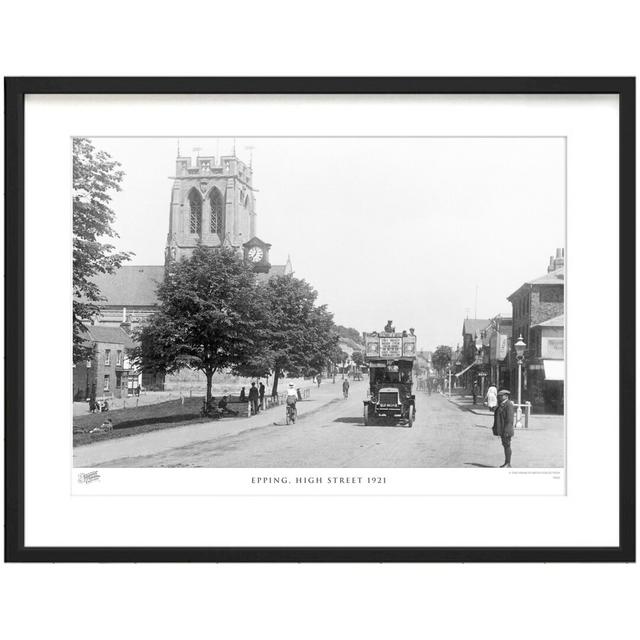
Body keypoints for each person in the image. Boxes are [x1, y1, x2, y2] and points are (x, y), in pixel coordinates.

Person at [493, 389, 515, 468]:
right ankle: (506, 463)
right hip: (503, 429)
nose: (499, 397)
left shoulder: (508, 404)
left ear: (506, 396)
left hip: (506, 430)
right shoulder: (502, 404)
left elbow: (509, 419)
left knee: (507, 446)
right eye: (499, 396)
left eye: (501, 396)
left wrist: (506, 431)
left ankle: (508, 463)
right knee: (505, 445)